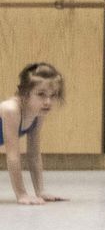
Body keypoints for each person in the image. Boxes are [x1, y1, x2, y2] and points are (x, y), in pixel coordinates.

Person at [2, 62, 68, 205]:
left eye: (53, 95)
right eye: (41, 94)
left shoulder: (38, 113)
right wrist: (22, 194)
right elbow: (13, 156)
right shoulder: (11, 110)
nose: (48, 102)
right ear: (25, 93)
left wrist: (40, 191)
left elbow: (33, 153)